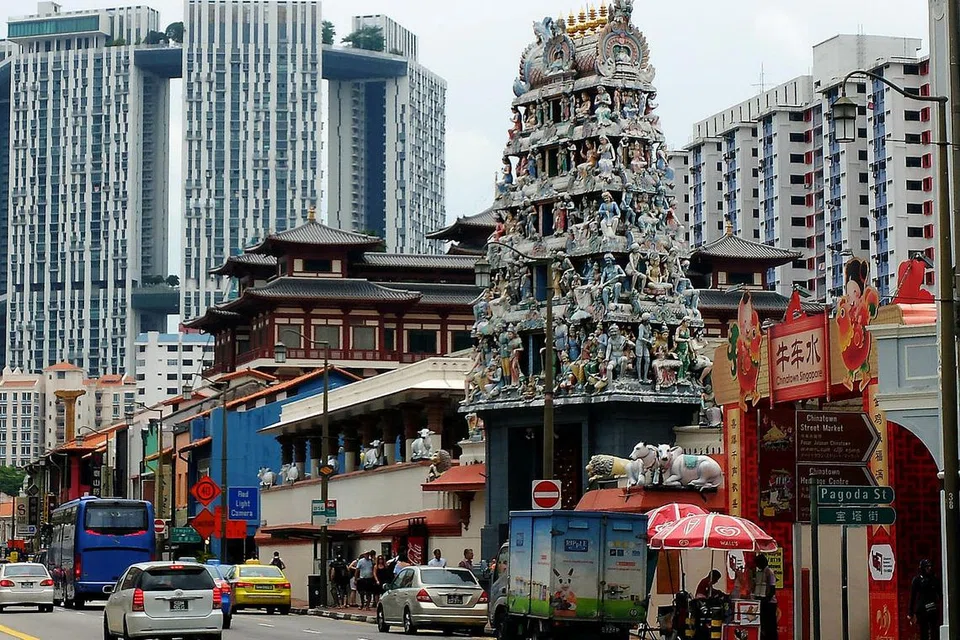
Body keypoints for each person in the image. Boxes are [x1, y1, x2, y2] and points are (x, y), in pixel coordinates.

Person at [909, 559, 941, 640]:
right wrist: (911, 612)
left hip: (933, 608)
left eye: (930, 567)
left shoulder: (934, 579)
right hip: (922, 610)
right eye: (927, 567)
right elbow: (913, 596)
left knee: (934, 630)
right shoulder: (917, 580)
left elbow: (940, 593)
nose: (929, 569)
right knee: (924, 632)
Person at [754, 555, 778, 640]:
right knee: (764, 623)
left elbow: (772, 589)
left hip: (770, 603)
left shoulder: (769, 572)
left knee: (770, 624)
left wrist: (765, 600)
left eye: (758, 563)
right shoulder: (762, 572)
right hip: (764, 601)